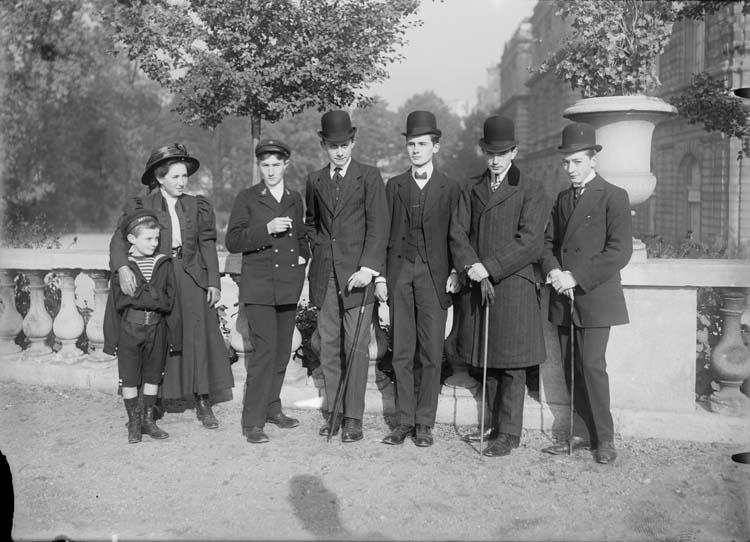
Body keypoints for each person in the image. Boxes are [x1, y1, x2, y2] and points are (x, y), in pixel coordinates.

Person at [110, 143, 234, 430]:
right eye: (175, 176)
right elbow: (119, 240)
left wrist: (213, 282)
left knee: (196, 336)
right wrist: (123, 266)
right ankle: (156, 401)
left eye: (184, 176)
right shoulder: (143, 206)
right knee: (160, 337)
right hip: (159, 279)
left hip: (192, 277)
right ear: (160, 177)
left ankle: (203, 399)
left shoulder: (196, 205)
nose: (182, 182)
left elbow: (207, 243)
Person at [450, 115, 549, 457]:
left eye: (502, 153)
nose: (495, 160)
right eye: (489, 153)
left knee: (512, 363)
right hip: (479, 283)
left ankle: (509, 432)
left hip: (513, 283)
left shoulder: (531, 189)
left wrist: (488, 267)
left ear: (514, 152)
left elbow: (531, 241)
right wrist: (470, 266)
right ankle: (492, 424)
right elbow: (457, 233)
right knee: (488, 358)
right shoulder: (471, 187)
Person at [540, 122, 633, 464]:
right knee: (570, 366)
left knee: (592, 367)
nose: (570, 169)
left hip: (594, 296)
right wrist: (552, 270)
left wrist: (574, 277)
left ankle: (604, 439)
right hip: (563, 297)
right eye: (566, 162)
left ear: (594, 160)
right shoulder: (563, 199)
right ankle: (579, 432)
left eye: (577, 162)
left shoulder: (614, 196)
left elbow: (619, 251)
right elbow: (547, 243)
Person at [374, 111, 462, 447]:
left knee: (430, 351)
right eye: (411, 144)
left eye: (422, 144)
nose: (415, 150)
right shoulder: (394, 185)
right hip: (400, 275)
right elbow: (384, 233)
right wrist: (382, 276)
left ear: (435, 147)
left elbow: (458, 235)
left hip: (435, 276)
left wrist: (455, 271)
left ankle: (425, 422)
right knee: (402, 352)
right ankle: (403, 421)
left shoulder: (450, 188)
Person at [304, 110, 389, 442]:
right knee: (329, 345)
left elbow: (378, 227)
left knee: (356, 347)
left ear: (353, 142)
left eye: (344, 144)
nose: (339, 151)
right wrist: (321, 249)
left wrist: (368, 269)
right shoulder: (315, 179)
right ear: (323, 144)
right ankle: (335, 411)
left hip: (358, 278)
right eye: (332, 145)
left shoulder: (369, 176)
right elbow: (311, 222)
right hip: (326, 276)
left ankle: (353, 417)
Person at [225, 139, 309, 444]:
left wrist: (304, 257)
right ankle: (252, 421)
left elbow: (303, 234)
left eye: (276, 164)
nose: (270, 171)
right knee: (263, 353)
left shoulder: (294, 198)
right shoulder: (248, 198)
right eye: (265, 165)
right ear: (258, 166)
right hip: (259, 287)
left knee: (282, 352)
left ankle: (273, 408)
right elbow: (233, 240)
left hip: (288, 284)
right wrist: (267, 230)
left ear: (286, 165)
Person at [104, 208, 181, 443]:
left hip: (156, 329)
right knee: (129, 377)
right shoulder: (124, 268)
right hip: (130, 329)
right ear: (131, 239)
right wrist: (112, 339)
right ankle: (134, 422)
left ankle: (148, 420)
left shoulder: (163, 263)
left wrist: (144, 294)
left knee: (152, 375)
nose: (154, 243)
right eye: (148, 238)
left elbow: (170, 299)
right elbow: (118, 303)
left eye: (156, 238)